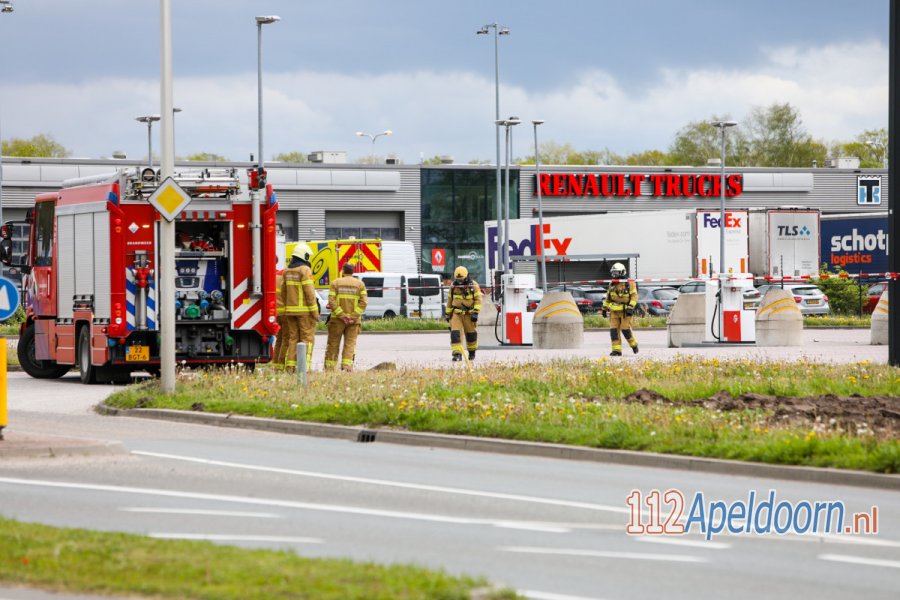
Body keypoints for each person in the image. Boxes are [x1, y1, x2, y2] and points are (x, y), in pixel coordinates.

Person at [280, 243, 319, 371]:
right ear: (304, 255)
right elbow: (309, 292)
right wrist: (315, 312)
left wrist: (287, 307)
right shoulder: (305, 270)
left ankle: (290, 366)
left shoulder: (287, 271)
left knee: (293, 339)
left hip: (290, 312)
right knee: (307, 339)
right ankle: (304, 368)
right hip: (305, 312)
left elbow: (283, 292)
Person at [324, 261, 368, 372]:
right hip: (353, 322)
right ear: (353, 272)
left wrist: (342, 315)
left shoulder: (335, 283)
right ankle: (347, 367)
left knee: (333, 343)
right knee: (350, 344)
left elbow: (331, 301)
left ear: (343, 271)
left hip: (337, 320)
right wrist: (353, 316)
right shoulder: (360, 284)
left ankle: (330, 368)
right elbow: (363, 303)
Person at [601, 262, 639, 356]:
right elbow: (608, 298)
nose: (614, 275)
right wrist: (604, 308)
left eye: (616, 273)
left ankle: (634, 345)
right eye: (613, 273)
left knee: (625, 329)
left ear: (622, 272)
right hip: (614, 311)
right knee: (613, 331)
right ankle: (617, 350)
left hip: (625, 311)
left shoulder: (629, 283)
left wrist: (630, 307)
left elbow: (634, 296)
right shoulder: (611, 284)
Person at [445, 266, 481, 362]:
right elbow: (449, 300)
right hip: (456, 314)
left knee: (471, 334)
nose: (460, 282)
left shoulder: (473, 285)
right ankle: (457, 354)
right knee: (455, 334)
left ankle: (472, 352)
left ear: (467, 277)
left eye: (462, 280)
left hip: (469, 314)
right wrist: (448, 314)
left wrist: (475, 313)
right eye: (458, 280)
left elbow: (478, 300)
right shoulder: (453, 287)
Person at [272, 254, 286, 367]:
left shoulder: (262, 276)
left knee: (278, 340)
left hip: (271, 313)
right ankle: (280, 364)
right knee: (284, 339)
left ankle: (275, 363)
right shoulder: (281, 276)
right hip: (284, 313)